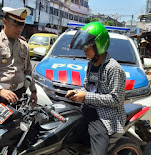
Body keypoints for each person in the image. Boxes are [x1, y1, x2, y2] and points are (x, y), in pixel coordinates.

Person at [0, 7, 37, 155]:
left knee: (17, 134)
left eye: (22, 25)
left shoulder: (23, 44)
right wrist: (1, 90)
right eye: (16, 24)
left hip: (19, 95)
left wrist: (34, 91)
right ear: (4, 22)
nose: (20, 29)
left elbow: (28, 70)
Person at [65, 22, 127, 155]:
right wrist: (76, 92)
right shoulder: (91, 64)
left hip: (104, 116)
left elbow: (116, 99)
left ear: (99, 45)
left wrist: (86, 96)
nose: (84, 50)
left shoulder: (114, 68)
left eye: (87, 46)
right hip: (87, 110)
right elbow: (87, 87)